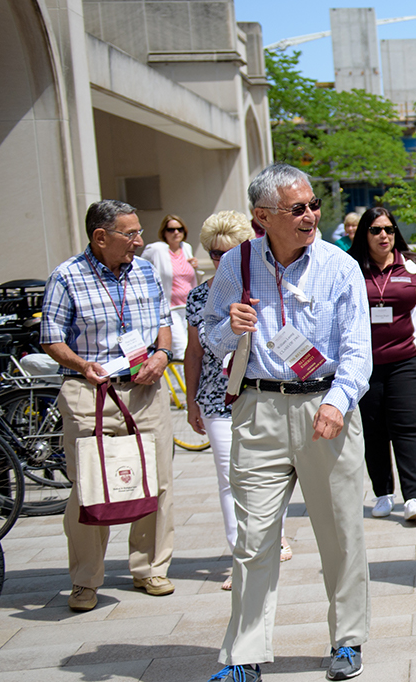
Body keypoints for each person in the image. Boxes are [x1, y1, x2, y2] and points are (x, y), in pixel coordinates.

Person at [194, 163, 373, 682]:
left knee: (341, 533)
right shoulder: (236, 263)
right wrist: (232, 326)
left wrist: (339, 403)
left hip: (326, 409)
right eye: (298, 209)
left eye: (314, 204)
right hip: (258, 409)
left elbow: (357, 352)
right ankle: (243, 661)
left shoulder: (339, 266)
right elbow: (210, 335)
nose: (311, 215)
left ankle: (347, 639)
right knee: (252, 540)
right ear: (262, 216)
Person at [40, 200, 176, 613]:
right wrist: (82, 365)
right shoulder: (66, 277)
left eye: (139, 232)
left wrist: (162, 356)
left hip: (143, 389)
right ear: (101, 237)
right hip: (91, 392)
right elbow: (51, 336)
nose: (139, 241)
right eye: (130, 233)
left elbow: (163, 324)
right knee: (88, 486)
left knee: (157, 481)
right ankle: (85, 581)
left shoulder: (145, 271)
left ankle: (150, 568)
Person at [183, 211, 291, 592]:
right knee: (230, 479)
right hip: (216, 395)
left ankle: (271, 536)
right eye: (214, 253)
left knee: (267, 475)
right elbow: (193, 352)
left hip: (259, 391)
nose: (220, 259)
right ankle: (241, 556)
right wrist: (191, 400)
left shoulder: (262, 285)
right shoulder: (198, 296)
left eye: (228, 252)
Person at [349, 206, 416, 522]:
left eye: (388, 229)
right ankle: (383, 493)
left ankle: (413, 497)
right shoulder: (351, 267)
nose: (384, 235)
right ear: (365, 234)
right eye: (376, 230)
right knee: (374, 430)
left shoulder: (412, 265)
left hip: (407, 358)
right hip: (365, 362)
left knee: (405, 428)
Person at [141, 213, 199, 360]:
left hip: (188, 307)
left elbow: (189, 279)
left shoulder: (186, 248)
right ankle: (179, 383)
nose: (176, 233)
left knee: (194, 346)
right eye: (171, 230)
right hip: (170, 308)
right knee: (180, 347)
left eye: (179, 229)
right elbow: (140, 268)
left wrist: (195, 268)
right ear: (164, 232)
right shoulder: (156, 249)